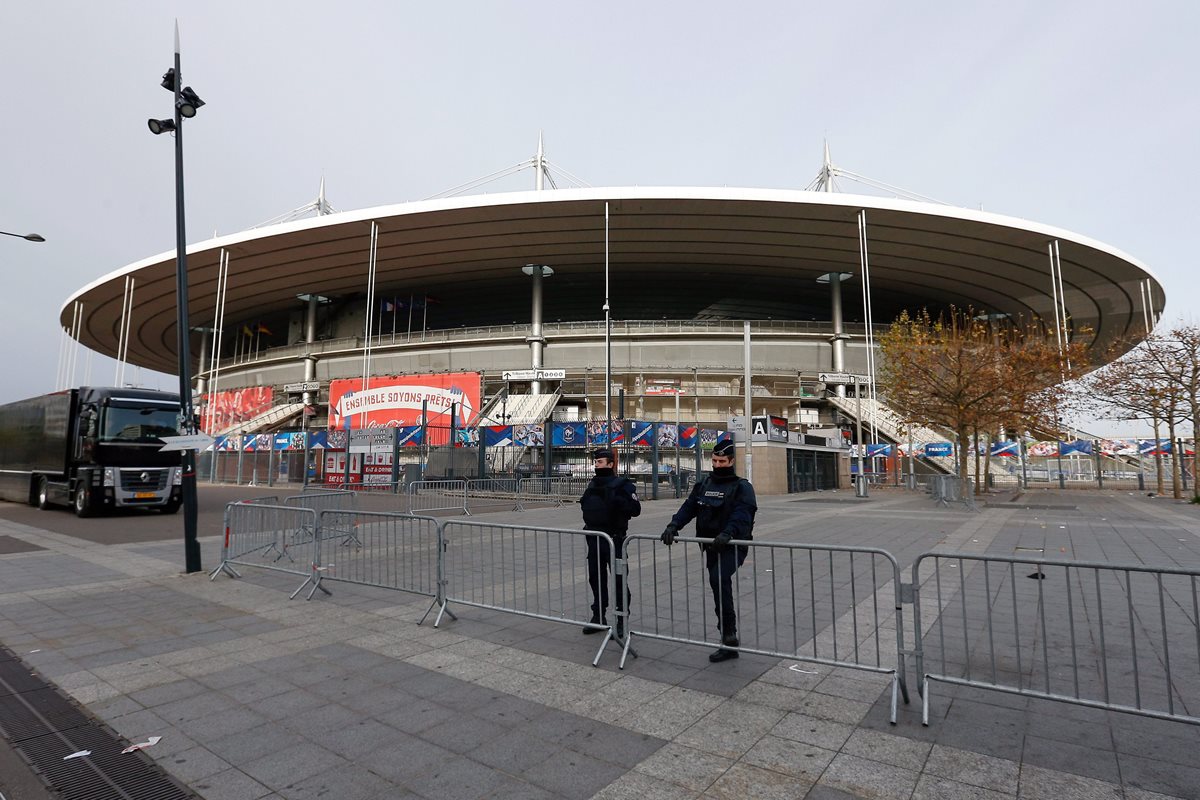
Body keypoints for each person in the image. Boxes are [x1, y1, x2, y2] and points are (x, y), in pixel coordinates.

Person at [660, 438, 757, 662]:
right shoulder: (704, 485)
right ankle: (727, 637)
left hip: (733, 544)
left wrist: (729, 533)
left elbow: (743, 515)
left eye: (722, 461)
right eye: (714, 460)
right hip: (710, 545)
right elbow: (689, 507)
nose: (717, 465)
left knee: (718, 579)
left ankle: (729, 635)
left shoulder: (742, 487)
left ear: (731, 461)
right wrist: (674, 525)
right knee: (717, 584)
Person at [580, 448, 641, 638]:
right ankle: (598, 617)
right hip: (595, 540)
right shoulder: (592, 484)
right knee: (596, 579)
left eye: (600, 462)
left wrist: (617, 501)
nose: (596, 465)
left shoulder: (623, 484)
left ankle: (622, 619)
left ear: (611, 464)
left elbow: (636, 509)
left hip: (615, 540)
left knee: (619, 581)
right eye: (596, 462)